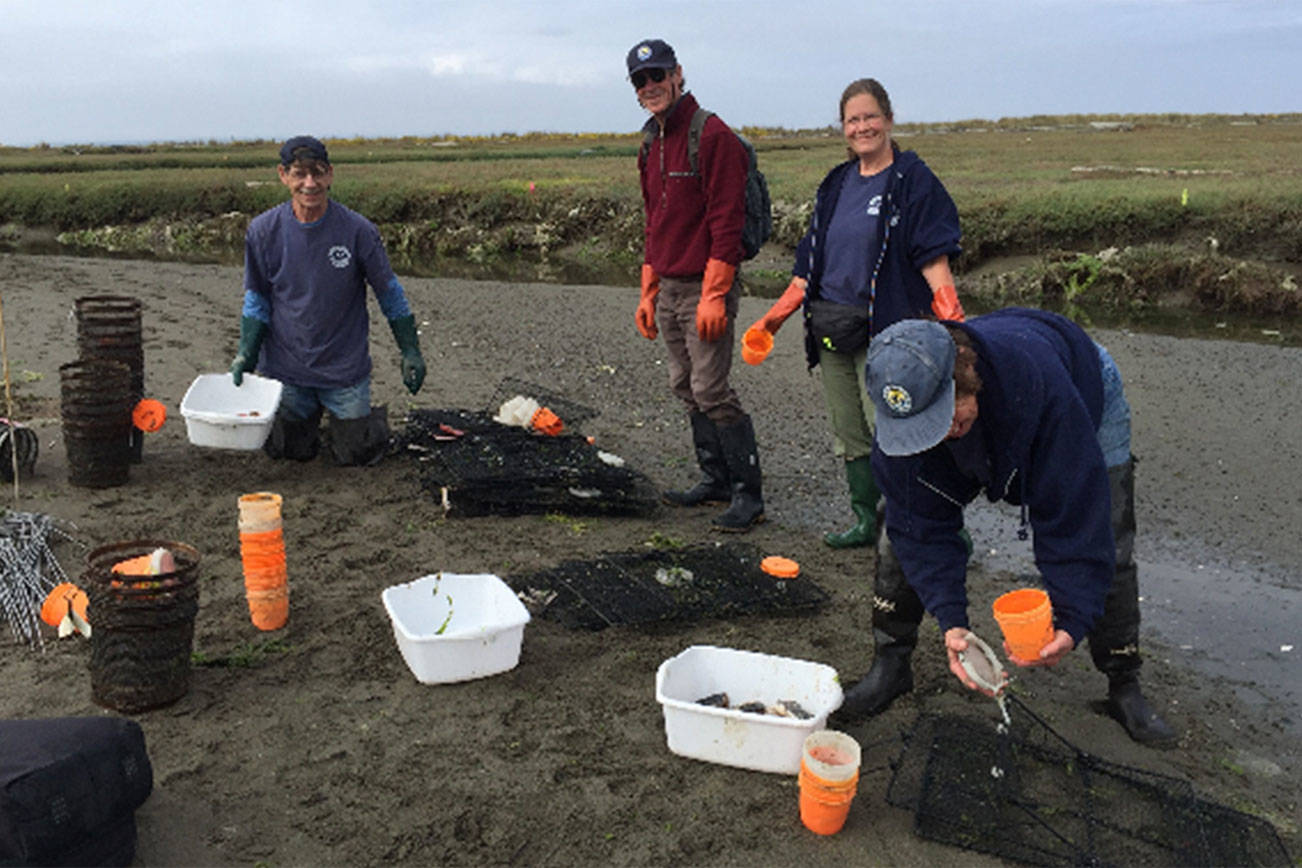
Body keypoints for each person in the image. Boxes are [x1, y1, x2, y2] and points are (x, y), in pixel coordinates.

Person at [834, 309, 1176, 746]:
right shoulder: (908, 409)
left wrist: (1072, 616)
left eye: (948, 418)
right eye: (924, 428)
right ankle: (890, 663)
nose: (939, 436)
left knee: (1110, 531)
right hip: (986, 394)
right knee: (899, 523)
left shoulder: (1044, 395)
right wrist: (951, 621)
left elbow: (1075, 515)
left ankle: (1124, 681)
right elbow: (921, 529)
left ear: (969, 372)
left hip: (1079, 382)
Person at [745, 78, 965, 549]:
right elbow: (807, 270)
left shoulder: (912, 181)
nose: (862, 127)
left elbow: (934, 259)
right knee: (850, 433)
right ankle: (868, 522)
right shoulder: (836, 184)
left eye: (869, 117)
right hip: (830, 329)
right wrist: (773, 320)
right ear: (842, 128)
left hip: (889, 335)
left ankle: (936, 530)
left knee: (897, 432)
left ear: (888, 119)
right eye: (853, 119)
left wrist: (957, 330)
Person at [627, 38, 763, 531]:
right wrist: (647, 289)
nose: (650, 86)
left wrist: (714, 294)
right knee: (684, 385)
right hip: (668, 284)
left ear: (678, 74)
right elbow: (653, 221)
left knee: (711, 387)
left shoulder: (712, 135)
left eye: (657, 75)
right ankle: (716, 480)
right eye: (641, 80)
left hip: (705, 284)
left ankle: (750, 494)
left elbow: (726, 223)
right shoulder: (650, 142)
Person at [230, 135, 426, 466]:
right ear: (283, 175)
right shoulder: (263, 231)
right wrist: (245, 354)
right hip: (287, 367)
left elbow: (389, 293)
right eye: (300, 173)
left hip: (344, 369)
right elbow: (257, 299)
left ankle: (359, 425)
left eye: (318, 173)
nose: (310, 183)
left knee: (355, 454)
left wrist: (410, 351)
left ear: (330, 175)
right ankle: (305, 424)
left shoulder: (358, 230)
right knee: (291, 451)